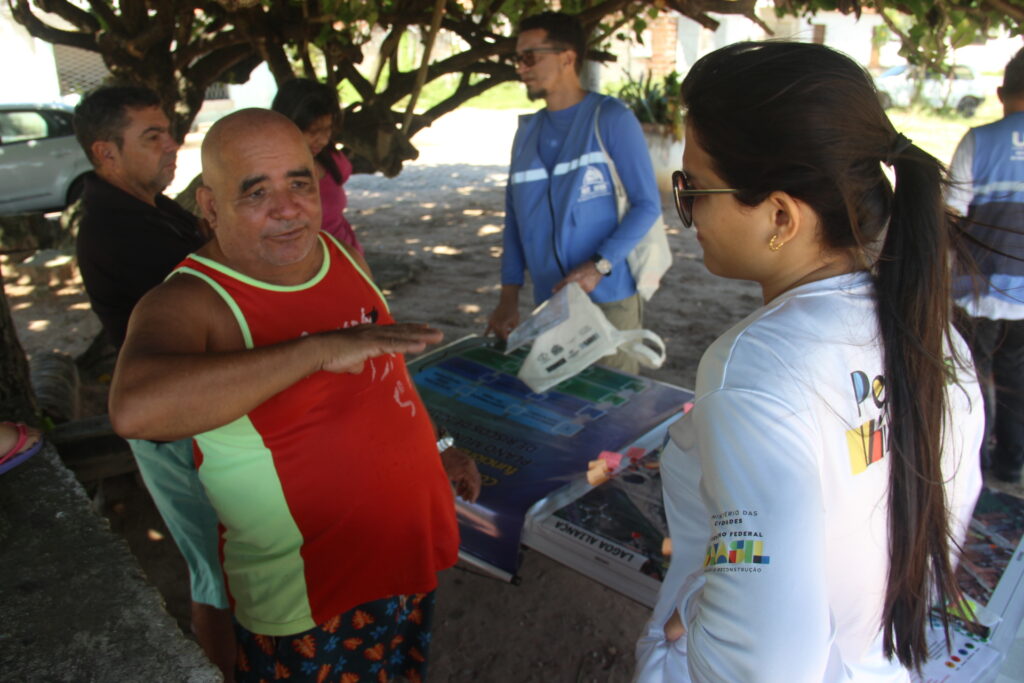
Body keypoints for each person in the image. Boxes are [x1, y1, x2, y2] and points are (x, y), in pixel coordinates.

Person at [633, 42, 983, 681]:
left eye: (694, 189)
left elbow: (758, 663)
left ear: (780, 215)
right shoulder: (934, 336)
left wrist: (694, 612)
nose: (685, 211)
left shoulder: (753, 371)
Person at [108, 108, 475, 682]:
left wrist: (438, 447)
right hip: (312, 598)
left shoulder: (336, 254)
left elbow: (390, 381)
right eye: (256, 192)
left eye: (299, 184)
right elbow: (134, 409)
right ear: (209, 206)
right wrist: (316, 351)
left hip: (405, 552)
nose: (287, 208)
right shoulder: (192, 300)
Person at [72, 85, 234, 676]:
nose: (172, 145)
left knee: (232, 556)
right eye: (153, 136)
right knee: (215, 568)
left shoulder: (151, 207)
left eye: (169, 131)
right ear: (106, 153)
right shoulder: (114, 229)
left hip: (202, 409)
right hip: (175, 423)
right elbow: (221, 286)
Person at [486, 11, 661, 373]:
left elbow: (647, 205)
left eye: (530, 57)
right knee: (559, 400)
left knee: (611, 400)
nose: (521, 68)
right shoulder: (526, 134)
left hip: (609, 300)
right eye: (517, 58)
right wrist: (508, 297)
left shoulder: (610, 119)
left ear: (567, 57)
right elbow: (514, 222)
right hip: (550, 305)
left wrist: (599, 266)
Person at [948, 48, 1024, 484]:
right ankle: (1012, 463)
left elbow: (951, 212)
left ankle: (976, 463)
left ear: (1000, 93)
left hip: (977, 290)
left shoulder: (978, 140)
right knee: (1016, 376)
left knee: (973, 378)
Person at [271, 78, 372, 278]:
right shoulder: (268, 174)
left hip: (347, 263)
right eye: (313, 131)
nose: (323, 140)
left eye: (327, 130)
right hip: (305, 275)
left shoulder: (329, 159)